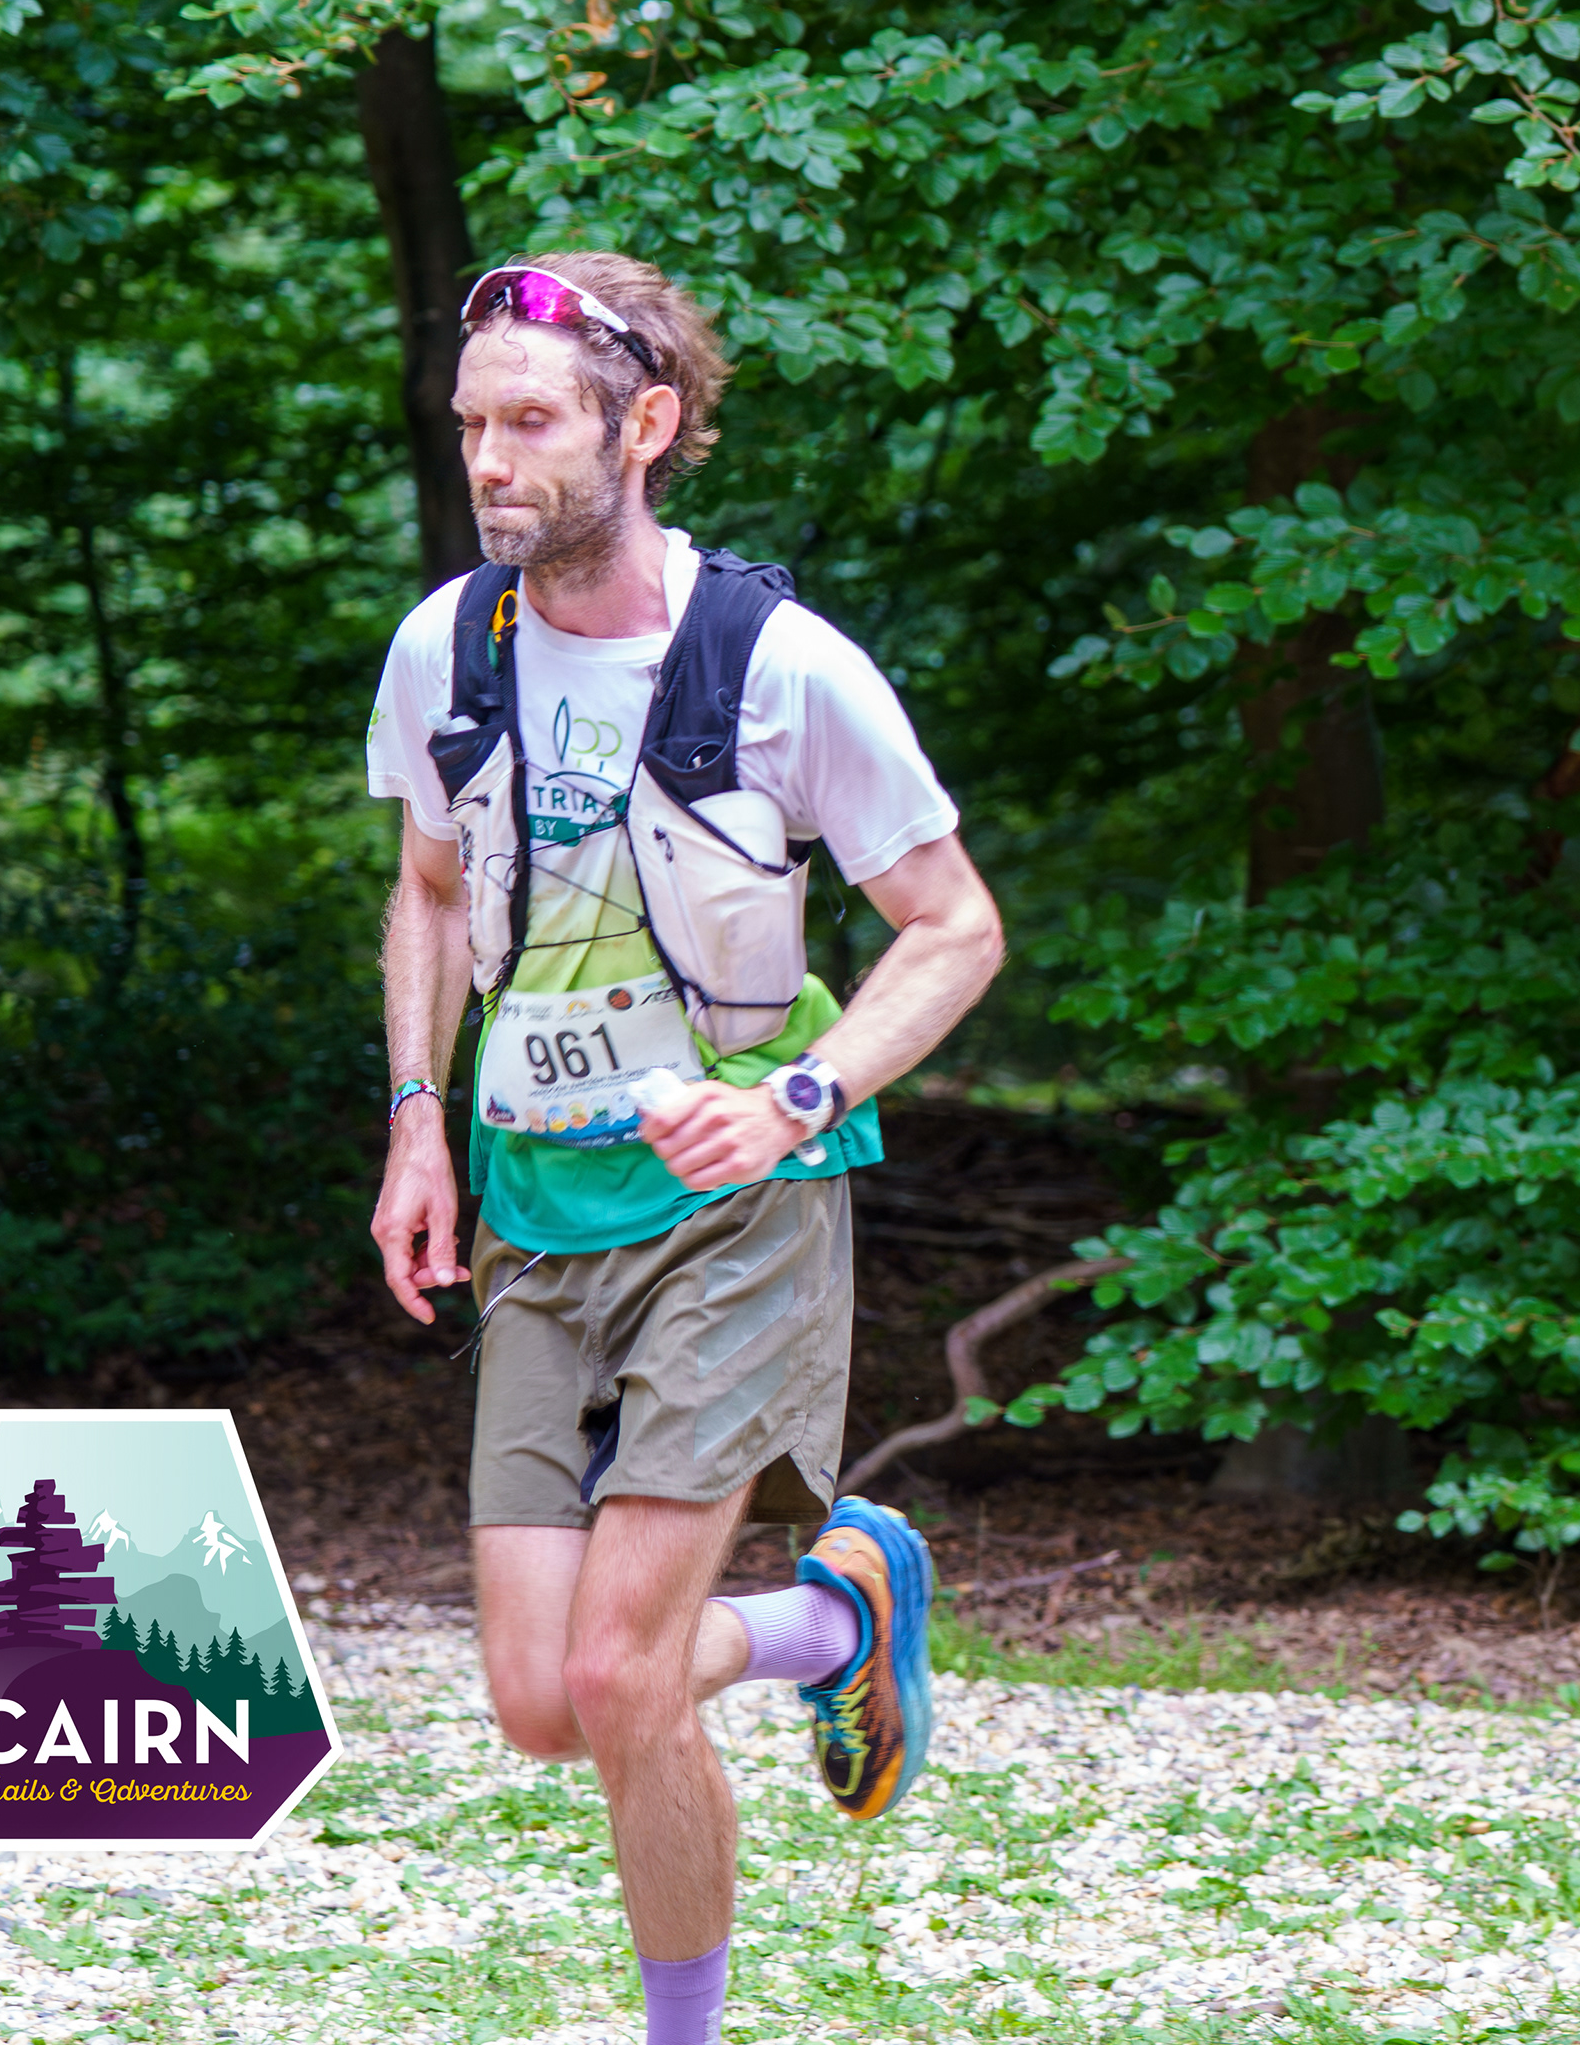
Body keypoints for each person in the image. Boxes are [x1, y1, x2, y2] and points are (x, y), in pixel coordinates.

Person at [363, 253, 1006, 2045]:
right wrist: (416, 1121)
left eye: (531, 423)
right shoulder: (448, 648)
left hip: (741, 1211)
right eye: (472, 424)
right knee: (539, 1701)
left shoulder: (780, 669)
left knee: (620, 1668)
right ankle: (831, 1627)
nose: (491, 461)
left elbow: (954, 928)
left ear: (642, 426)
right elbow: (430, 890)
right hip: (534, 1202)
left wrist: (800, 1096)